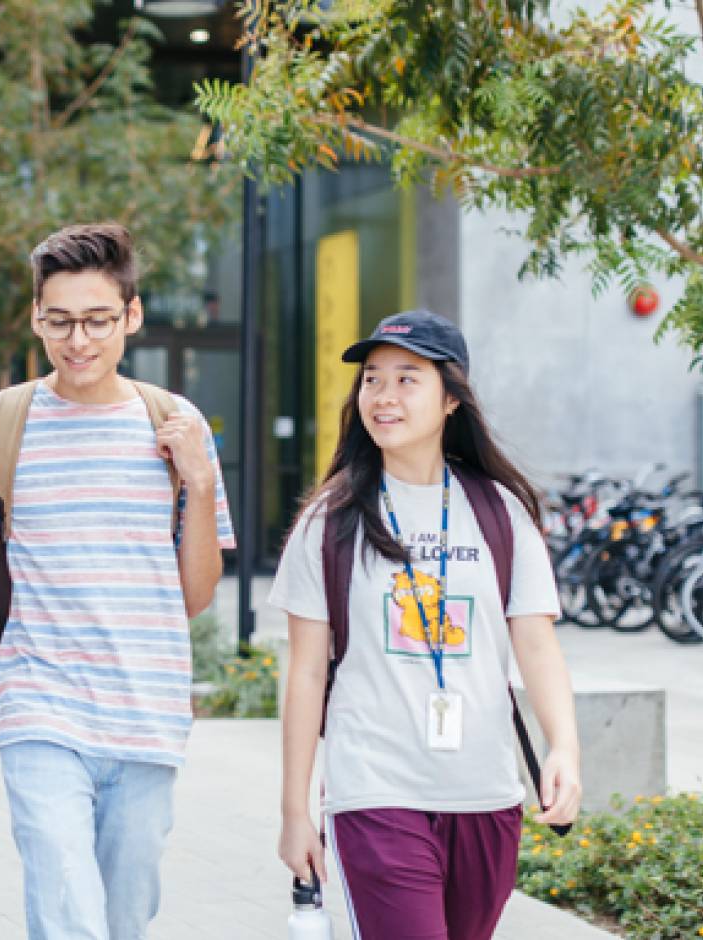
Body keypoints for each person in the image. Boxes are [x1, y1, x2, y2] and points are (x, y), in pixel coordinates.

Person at [0, 223, 236, 940]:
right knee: (69, 911)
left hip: (148, 716)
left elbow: (193, 596)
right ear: (36, 317)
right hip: (41, 707)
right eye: (60, 321)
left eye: (98, 321)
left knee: (122, 921)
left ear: (131, 316)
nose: (78, 342)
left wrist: (196, 476)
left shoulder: (178, 425)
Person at [267, 310, 582, 940]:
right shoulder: (328, 523)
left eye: (407, 379)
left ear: (450, 400)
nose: (382, 396)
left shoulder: (498, 513)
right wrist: (295, 809)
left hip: (485, 795)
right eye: (372, 380)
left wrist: (565, 748)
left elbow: (537, 645)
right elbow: (305, 673)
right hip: (373, 790)